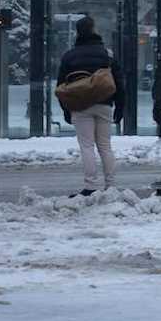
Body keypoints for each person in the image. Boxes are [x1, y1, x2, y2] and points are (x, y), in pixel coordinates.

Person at [57, 15, 124, 194]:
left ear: (77, 32)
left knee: (87, 146)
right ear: (94, 30)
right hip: (104, 103)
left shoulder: (70, 56)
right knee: (105, 146)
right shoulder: (107, 54)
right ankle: (111, 185)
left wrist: (66, 109)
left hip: (80, 106)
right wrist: (120, 106)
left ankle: (90, 186)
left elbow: (60, 85)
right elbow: (119, 81)